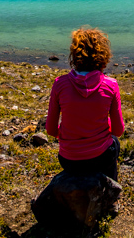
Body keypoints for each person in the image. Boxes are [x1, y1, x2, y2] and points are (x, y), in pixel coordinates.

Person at [45, 27, 125, 182]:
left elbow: (50, 130)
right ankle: (110, 192)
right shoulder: (111, 85)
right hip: (100, 157)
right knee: (115, 142)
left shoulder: (60, 84)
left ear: (75, 56)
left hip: (69, 159)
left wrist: (71, 134)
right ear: (103, 56)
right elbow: (118, 130)